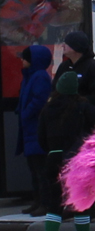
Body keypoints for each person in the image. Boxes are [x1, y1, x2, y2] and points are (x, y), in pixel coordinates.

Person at [38, 72, 95, 231]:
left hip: (53, 158)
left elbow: (41, 138)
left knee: (54, 203)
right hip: (76, 159)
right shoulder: (82, 107)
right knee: (80, 200)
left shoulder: (47, 109)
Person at [16, 45, 52, 217]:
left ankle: (44, 203)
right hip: (29, 128)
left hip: (35, 128)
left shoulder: (39, 77)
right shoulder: (30, 76)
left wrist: (26, 113)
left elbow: (39, 100)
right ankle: (37, 200)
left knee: (40, 169)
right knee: (34, 168)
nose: (22, 61)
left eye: (25, 58)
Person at [53, 31, 95, 117]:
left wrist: (77, 103)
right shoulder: (64, 66)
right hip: (63, 114)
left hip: (84, 116)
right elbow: (54, 88)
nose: (62, 46)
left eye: (66, 44)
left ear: (76, 47)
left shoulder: (93, 68)